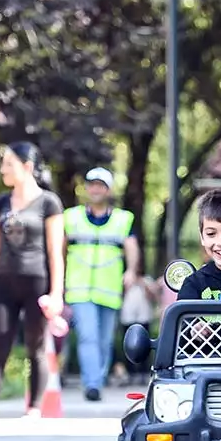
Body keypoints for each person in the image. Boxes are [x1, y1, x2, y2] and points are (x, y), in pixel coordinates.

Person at [0, 142, 66, 419]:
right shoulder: (0, 204)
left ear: (27, 167)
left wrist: (56, 292)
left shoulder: (49, 203)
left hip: (36, 282)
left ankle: (34, 408)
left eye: (9, 164)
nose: (3, 169)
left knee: (35, 345)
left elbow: (55, 251)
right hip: (3, 282)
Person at [63, 166, 141, 402]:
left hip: (109, 290)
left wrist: (130, 271)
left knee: (105, 340)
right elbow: (60, 248)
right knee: (88, 336)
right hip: (79, 289)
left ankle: (98, 376)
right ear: (86, 188)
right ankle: (93, 383)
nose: (95, 189)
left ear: (108, 190)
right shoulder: (71, 217)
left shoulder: (122, 219)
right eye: (92, 184)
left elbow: (132, 248)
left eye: (100, 185)